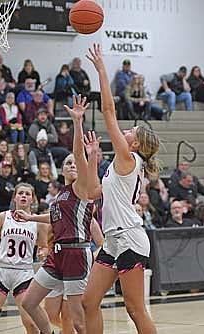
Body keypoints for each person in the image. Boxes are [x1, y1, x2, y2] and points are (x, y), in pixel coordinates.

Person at [82, 44, 158, 334]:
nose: (125, 131)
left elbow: (108, 110)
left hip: (129, 237)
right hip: (113, 239)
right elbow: (92, 193)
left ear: (135, 144)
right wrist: (91, 158)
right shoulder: (117, 165)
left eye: (130, 133)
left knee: (135, 309)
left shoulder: (129, 157)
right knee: (90, 302)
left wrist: (101, 68)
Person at [20, 95, 104, 334]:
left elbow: (78, 153)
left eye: (74, 163)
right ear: (62, 169)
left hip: (76, 253)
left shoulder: (81, 188)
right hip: (57, 254)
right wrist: (31, 218)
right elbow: (55, 218)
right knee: (29, 303)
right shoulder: (61, 194)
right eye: (67, 163)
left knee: (78, 321)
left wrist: (77, 122)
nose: (72, 165)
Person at [0, 183, 44, 334]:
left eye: (27, 194)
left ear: (32, 199)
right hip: (1, 270)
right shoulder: (3, 216)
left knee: (31, 324)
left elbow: (43, 246)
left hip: (24, 273)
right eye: (20, 193)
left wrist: (42, 251)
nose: (23, 196)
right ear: (15, 197)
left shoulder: (38, 222)